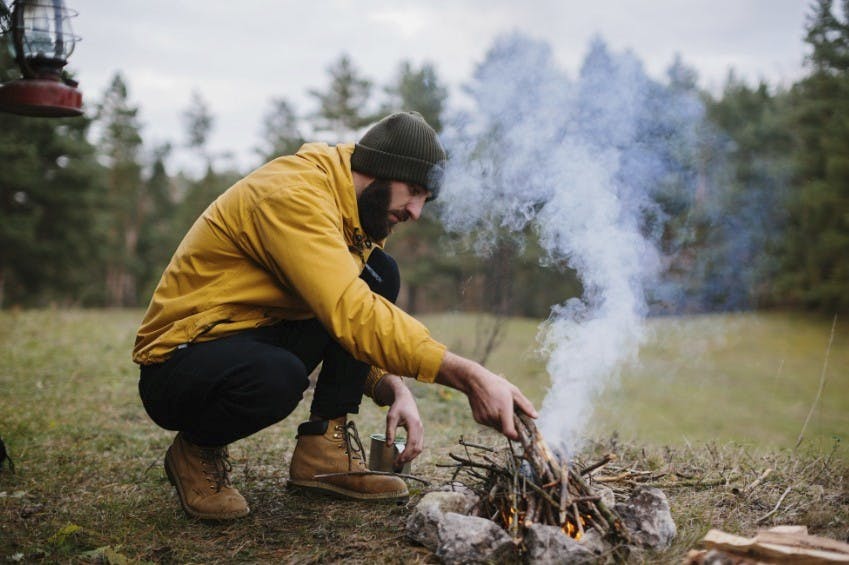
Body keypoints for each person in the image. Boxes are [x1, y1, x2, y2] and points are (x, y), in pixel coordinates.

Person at [133, 111, 537, 520]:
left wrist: (390, 385)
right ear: (380, 170)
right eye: (413, 191)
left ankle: (323, 449)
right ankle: (196, 448)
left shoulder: (350, 216)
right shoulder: (294, 195)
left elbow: (344, 308)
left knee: (380, 272)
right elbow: (349, 311)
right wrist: (467, 375)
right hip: (178, 361)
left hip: (250, 332)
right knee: (278, 377)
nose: (416, 211)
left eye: (425, 200)